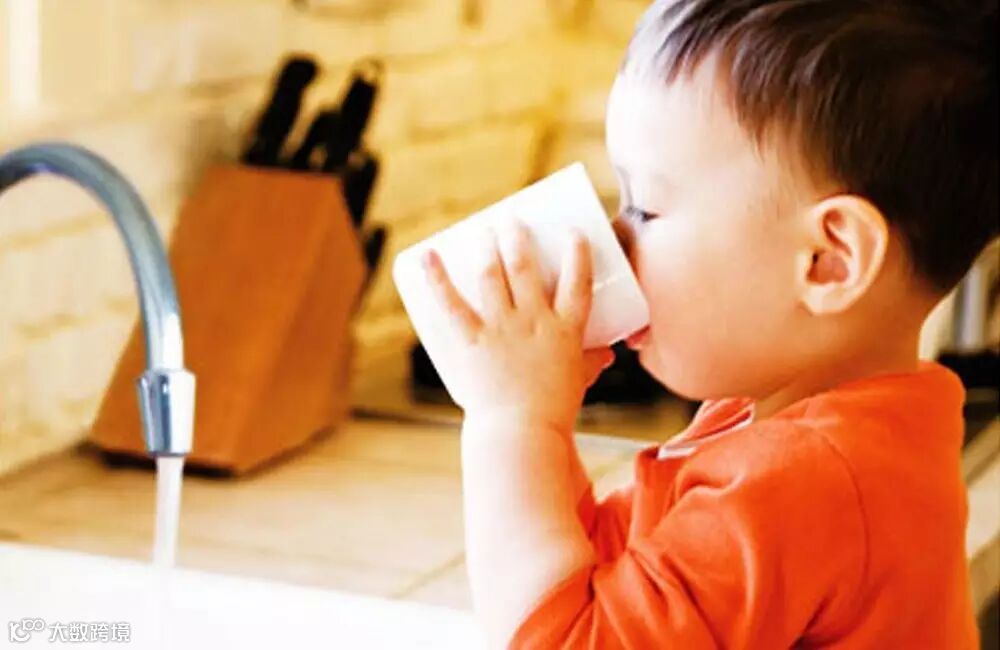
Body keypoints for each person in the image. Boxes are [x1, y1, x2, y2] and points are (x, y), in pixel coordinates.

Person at [420, 0, 998, 647]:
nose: (614, 239)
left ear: (828, 259)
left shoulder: (803, 481)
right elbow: (612, 575)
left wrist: (513, 420)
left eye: (645, 208)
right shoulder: (831, 432)